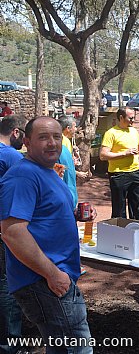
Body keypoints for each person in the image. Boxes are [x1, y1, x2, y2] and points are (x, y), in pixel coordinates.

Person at [0, 117, 94, 353]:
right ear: (27, 142)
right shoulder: (22, 176)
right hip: (43, 280)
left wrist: (75, 213)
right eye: (43, 137)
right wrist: (52, 274)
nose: (52, 143)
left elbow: (43, 213)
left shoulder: (46, 171)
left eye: (56, 137)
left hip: (53, 276)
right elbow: (12, 232)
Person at [0, 114, 26, 354]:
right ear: (15, 132)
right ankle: (11, 342)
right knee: (8, 281)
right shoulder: (12, 156)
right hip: (5, 227)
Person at [99, 107, 139, 220]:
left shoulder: (133, 131)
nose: (133, 120)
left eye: (134, 117)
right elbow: (103, 155)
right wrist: (124, 153)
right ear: (121, 117)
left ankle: (138, 230)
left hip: (136, 172)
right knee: (119, 209)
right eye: (130, 118)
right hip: (119, 174)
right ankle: (120, 233)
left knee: (137, 207)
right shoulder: (111, 133)